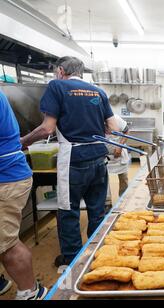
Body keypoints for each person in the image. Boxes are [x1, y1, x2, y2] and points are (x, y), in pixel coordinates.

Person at [21, 56, 119, 268]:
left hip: (74, 160)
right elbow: (113, 127)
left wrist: (23, 141)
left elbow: (47, 128)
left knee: (68, 211)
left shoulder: (57, 86)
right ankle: (98, 255)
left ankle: (72, 260)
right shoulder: (98, 91)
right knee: (97, 210)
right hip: (99, 158)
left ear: (60, 70)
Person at [0, 90, 48, 299]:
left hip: (6, 177)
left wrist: (24, 140)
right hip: (10, 174)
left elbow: (47, 128)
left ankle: (31, 292)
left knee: (6, 243)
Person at [106, 115, 130, 197]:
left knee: (124, 179)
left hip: (120, 155)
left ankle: (123, 199)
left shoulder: (116, 119)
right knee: (103, 180)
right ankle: (107, 203)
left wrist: (120, 146)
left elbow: (127, 131)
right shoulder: (95, 119)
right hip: (104, 156)